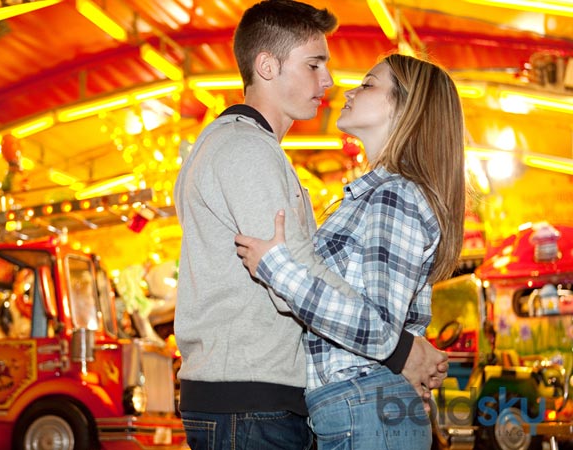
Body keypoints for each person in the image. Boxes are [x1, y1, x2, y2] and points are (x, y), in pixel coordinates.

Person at [174, 1, 449, 449]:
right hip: (250, 397)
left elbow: (296, 270)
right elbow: (295, 270)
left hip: (267, 395)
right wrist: (402, 350)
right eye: (314, 64)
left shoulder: (254, 150)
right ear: (267, 66)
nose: (329, 81)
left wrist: (401, 348)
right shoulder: (246, 150)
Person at [234, 53, 466, 449]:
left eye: (368, 84)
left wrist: (277, 269)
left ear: (404, 107)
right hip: (363, 404)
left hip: (365, 404)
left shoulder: (394, 196)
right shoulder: (379, 195)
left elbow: (378, 325)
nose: (348, 92)